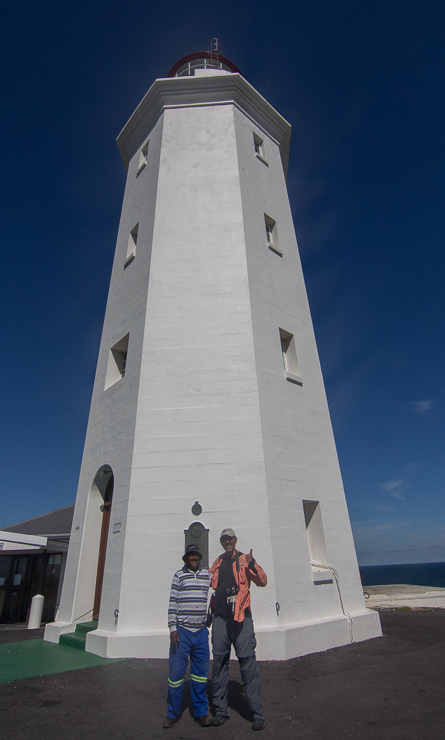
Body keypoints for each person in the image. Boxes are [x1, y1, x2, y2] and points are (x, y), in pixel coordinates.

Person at [209, 528, 267, 732]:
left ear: (235, 540)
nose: (227, 542)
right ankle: (220, 711)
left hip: (241, 618)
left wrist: (252, 563)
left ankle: (257, 714)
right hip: (220, 619)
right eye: (224, 540)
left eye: (230, 539)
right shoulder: (217, 562)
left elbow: (262, 581)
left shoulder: (244, 559)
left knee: (247, 663)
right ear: (221, 542)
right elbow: (209, 585)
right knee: (219, 663)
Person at [163, 543, 212, 729]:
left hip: (200, 632)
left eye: (196, 555)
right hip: (182, 632)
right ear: (186, 558)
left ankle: (201, 712)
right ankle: (172, 713)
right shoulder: (179, 576)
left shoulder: (206, 575)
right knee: (176, 675)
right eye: (190, 555)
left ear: (200, 557)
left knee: (200, 675)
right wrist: (172, 628)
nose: (193, 558)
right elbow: (173, 601)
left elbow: (220, 581)